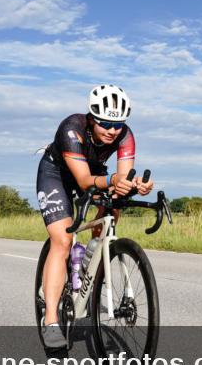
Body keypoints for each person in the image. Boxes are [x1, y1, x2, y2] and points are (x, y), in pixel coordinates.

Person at [36, 84, 153, 348]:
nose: (112, 131)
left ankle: (89, 257)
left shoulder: (125, 135)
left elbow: (122, 177)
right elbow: (84, 179)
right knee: (63, 241)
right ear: (91, 118)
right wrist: (114, 179)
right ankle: (51, 320)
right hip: (58, 175)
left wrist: (136, 185)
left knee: (115, 203)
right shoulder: (71, 128)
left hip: (94, 171)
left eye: (118, 124)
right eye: (104, 124)